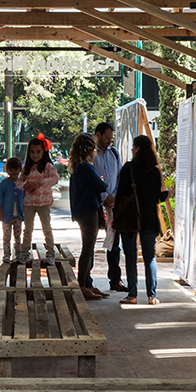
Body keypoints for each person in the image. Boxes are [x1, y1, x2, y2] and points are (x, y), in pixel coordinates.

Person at [113, 134, 170, 305]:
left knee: (130, 256)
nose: (132, 149)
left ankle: (132, 295)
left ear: (137, 148)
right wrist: (168, 194)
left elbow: (120, 195)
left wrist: (115, 218)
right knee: (149, 257)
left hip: (130, 218)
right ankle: (152, 296)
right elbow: (157, 197)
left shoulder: (128, 168)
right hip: (149, 219)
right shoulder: (154, 171)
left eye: (133, 146)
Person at [67, 134, 110, 298]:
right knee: (88, 248)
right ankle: (83, 285)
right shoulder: (86, 167)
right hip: (88, 211)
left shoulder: (77, 167)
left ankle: (88, 283)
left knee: (89, 248)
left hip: (81, 211)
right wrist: (102, 180)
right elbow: (101, 186)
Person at [92, 122, 128, 292]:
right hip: (97, 204)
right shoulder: (91, 154)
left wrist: (114, 197)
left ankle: (115, 279)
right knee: (89, 242)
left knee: (114, 242)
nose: (108, 141)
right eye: (106, 138)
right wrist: (105, 197)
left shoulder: (114, 153)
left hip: (114, 205)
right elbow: (91, 179)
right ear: (98, 135)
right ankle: (87, 280)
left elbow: (121, 175)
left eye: (110, 138)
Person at [18, 134, 58, 264]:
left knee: (46, 228)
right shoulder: (27, 168)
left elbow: (55, 178)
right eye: (32, 152)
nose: (35, 155)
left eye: (38, 152)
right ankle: (25, 253)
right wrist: (25, 185)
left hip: (44, 202)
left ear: (44, 152)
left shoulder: (47, 166)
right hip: (29, 203)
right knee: (28, 229)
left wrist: (43, 182)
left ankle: (51, 253)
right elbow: (19, 182)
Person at [0, 157, 25, 264]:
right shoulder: (4, 184)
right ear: (7, 170)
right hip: (6, 215)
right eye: (11, 169)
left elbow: (27, 198)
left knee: (18, 236)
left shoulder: (22, 183)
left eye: (16, 169)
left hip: (19, 215)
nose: (13, 172)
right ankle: (6, 255)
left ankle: (18, 254)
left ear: (20, 169)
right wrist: (0, 212)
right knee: (6, 236)